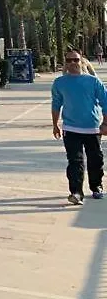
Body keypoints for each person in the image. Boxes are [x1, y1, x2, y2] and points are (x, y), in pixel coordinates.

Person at [52, 50, 107, 205]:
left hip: (92, 128)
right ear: (65, 63)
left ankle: (96, 186)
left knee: (95, 160)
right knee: (75, 161)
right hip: (70, 128)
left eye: (75, 60)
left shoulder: (93, 81)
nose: (72, 63)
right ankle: (76, 192)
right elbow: (56, 104)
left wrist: (105, 123)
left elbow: (105, 102)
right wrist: (55, 124)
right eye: (69, 60)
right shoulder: (59, 82)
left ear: (81, 61)